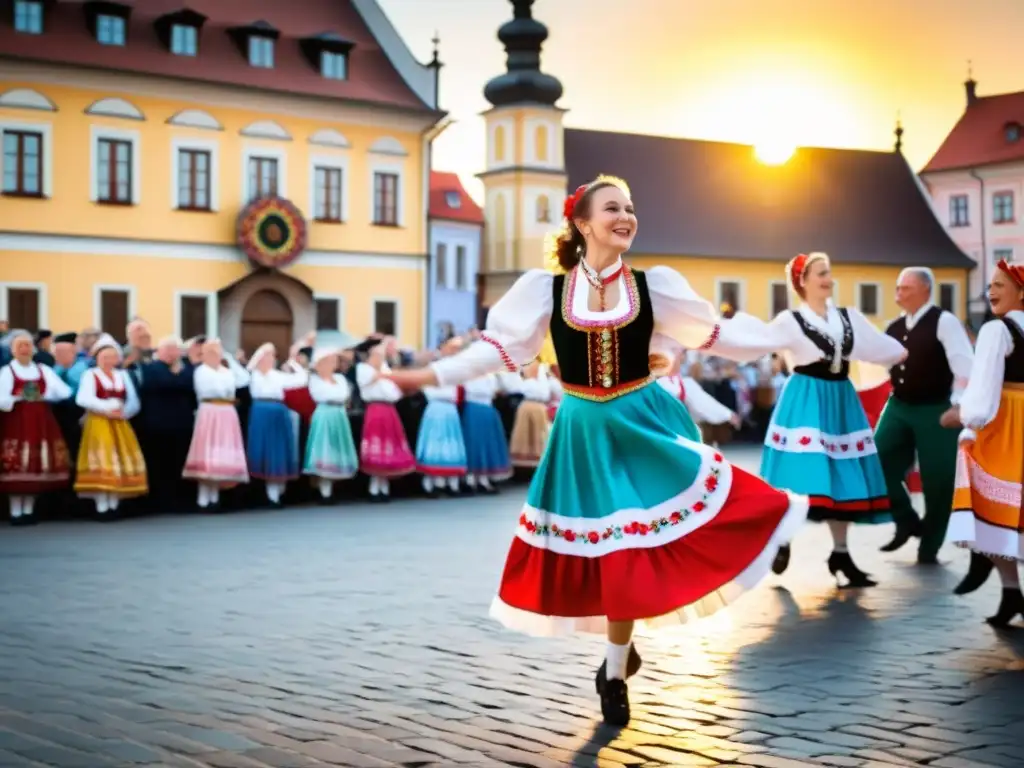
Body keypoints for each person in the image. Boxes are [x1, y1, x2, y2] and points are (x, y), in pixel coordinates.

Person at [386, 176, 806, 726]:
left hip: (641, 423)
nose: (626, 216)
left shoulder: (654, 286)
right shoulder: (547, 290)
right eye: (613, 208)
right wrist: (429, 375)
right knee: (614, 554)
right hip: (583, 432)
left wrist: (782, 338)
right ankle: (616, 660)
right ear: (583, 223)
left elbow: (715, 335)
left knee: (637, 548)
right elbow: (497, 351)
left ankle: (612, 670)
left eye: (630, 207)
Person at [760, 252, 907, 587]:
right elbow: (757, 341)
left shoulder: (847, 317)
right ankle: (782, 539)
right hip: (806, 400)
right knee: (800, 475)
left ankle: (841, 554)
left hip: (841, 398)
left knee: (843, 477)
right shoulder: (789, 321)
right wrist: (711, 336)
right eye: (821, 273)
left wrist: (900, 352)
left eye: (829, 272)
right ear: (803, 281)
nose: (829, 278)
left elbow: (874, 345)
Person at [872, 268, 975, 567]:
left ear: (925, 290)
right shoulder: (892, 326)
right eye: (898, 287)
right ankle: (906, 520)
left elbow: (966, 367)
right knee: (875, 463)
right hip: (899, 406)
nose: (899, 292)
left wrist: (959, 405)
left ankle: (929, 547)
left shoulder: (944, 322)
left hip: (937, 410)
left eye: (906, 287)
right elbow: (874, 360)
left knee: (938, 480)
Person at [941, 259, 1024, 627]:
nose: (990, 292)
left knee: (991, 510)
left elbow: (983, 387)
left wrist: (965, 419)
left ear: (1021, 292)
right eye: (989, 285)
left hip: (1005, 424)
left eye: (999, 286)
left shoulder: (996, 330)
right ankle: (1011, 595)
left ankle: (1010, 590)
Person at [0, 330, 72, 525]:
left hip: (41, 421)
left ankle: (29, 510)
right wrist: (18, 397)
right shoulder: (7, 371)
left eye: (27, 346)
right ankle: (16, 511)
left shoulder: (42, 370)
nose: (24, 350)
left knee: (36, 463)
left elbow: (64, 391)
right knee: (17, 463)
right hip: (17, 421)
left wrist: (45, 394)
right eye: (20, 346)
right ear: (13, 351)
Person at [74, 334, 147, 517]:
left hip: (120, 423)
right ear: (97, 358)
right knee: (102, 459)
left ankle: (114, 504)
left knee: (119, 461)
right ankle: (101, 505)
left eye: (112, 356)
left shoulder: (122, 375)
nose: (108, 360)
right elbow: (83, 398)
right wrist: (106, 408)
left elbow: (133, 400)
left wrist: (124, 412)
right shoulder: (90, 375)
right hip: (99, 422)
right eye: (104, 357)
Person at [182, 339, 250, 510]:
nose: (215, 356)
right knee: (208, 453)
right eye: (210, 352)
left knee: (220, 453)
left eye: (217, 352)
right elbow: (209, 391)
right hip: (209, 411)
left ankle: (215, 497)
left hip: (226, 413)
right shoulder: (200, 371)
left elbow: (242, 380)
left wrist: (230, 360)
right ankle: (203, 498)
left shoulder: (227, 372)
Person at [135, 337, 197, 514]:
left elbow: (190, 386)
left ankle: (178, 501)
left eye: (174, 349)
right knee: (158, 465)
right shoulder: (150, 368)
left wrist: (178, 377)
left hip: (182, 425)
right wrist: (177, 377)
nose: (171, 353)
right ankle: (158, 502)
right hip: (157, 425)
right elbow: (163, 384)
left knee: (179, 463)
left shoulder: (187, 369)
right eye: (167, 349)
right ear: (159, 352)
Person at [246, 343, 308, 506]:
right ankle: (270, 494)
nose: (269, 359)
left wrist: (293, 362)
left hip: (279, 413)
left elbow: (301, 379)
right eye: (266, 356)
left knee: (279, 451)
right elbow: (242, 374)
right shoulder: (253, 375)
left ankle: (277, 493)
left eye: (272, 356)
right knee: (266, 450)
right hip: (262, 413)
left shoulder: (277, 375)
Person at [356, 342, 416, 502]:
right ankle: (374, 488)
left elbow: (395, 391)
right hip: (375, 408)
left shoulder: (385, 369)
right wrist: (380, 373)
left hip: (389, 409)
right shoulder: (363, 368)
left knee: (388, 445)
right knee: (378, 445)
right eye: (377, 355)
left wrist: (384, 374)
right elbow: (366, 383)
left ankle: (384, 488)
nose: (380, 358)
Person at [303, 348, 359, 502]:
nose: (332, 364)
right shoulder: (315, 380)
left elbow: (343, 395)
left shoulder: (340, 379)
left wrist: (336, 396)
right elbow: (321, 395)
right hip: (324, 413)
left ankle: (331, 488)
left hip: (338, 414)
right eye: (329, 361)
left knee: (336, 447)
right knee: (324, 447)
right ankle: (324, 491)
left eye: (334, 361)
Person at [415, 337, 468, 496]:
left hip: (450, 408)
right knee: (435, 442)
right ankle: (432, 482)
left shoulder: (456, 369)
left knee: (450, 443)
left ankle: (450, 482)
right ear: (442, 348)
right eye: (451, 347)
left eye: (457, 348)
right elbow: (426, 387)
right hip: (437, 406)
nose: (454, 351)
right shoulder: (434, 367)